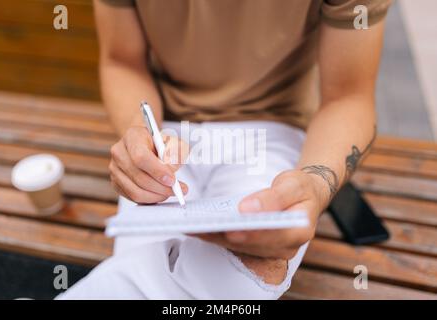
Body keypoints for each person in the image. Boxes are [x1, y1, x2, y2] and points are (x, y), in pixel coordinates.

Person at [58, 0, 391, 299]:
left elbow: (349, 98)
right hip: (166, 135)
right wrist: (141, 135)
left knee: (256, 265)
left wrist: (316, 184)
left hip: (271, 129)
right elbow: (122, 62)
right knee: (234, 283)